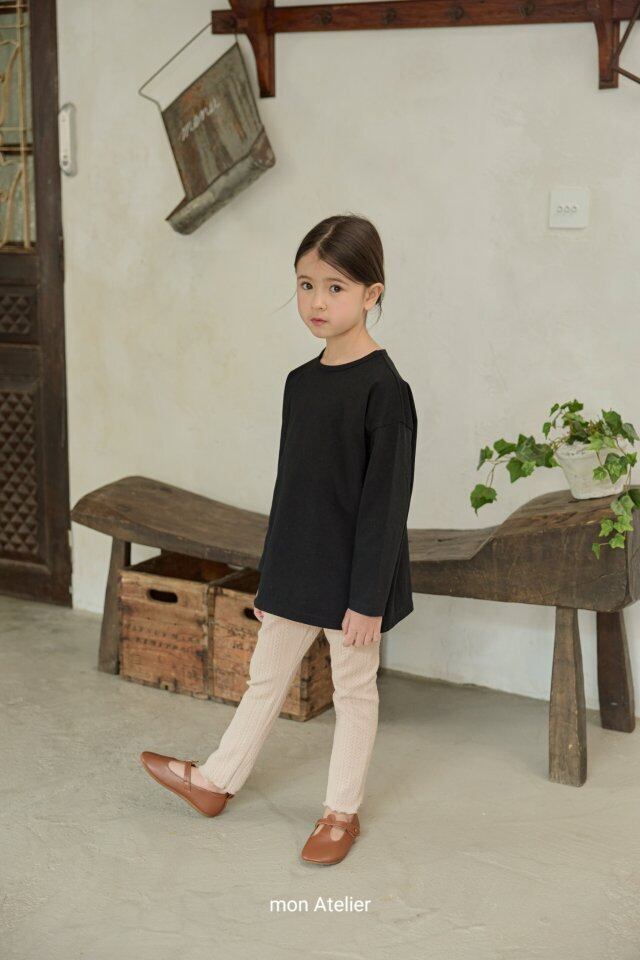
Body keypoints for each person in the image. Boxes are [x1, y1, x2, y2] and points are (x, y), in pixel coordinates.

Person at [141, 213, 418, 865]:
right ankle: (215, 781)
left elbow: (384, 509)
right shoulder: (300, 383)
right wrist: (273, 578)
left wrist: (367, 601)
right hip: (298, 567)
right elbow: (290, 491)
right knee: (265, 678)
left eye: (336, 287)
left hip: (355, 581)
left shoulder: (386, 392)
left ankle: (340, 813)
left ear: (372, 294)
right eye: (305, 285)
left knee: (353, 691)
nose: (317, 302)